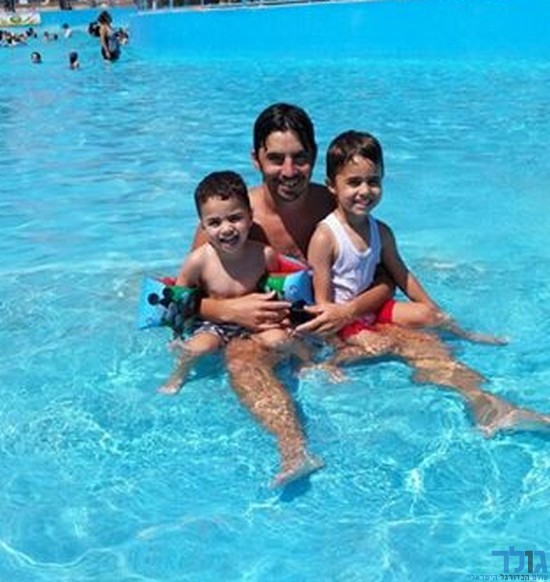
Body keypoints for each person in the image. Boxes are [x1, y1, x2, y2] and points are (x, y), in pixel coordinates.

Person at [184, 103, 550, 487]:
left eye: (300, 158)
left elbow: (384, 277)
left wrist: (349, 312)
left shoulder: (332, 204)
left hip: (339, 323)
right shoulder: (234, 217)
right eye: (276, 159)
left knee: (418, 341)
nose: (289, 171)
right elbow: (179, 301)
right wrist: (229, 310)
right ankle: (295, 450)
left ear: (314, 158)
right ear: (255, 159)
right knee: (242, 360)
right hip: (268, 332)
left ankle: (489, 406)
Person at [168, 170, 323, 486]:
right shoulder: (198, 260)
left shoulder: (263, 254)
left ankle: (307, 361)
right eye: (214, 222)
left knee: (280, 339)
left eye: (235, 218)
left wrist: (284, 320)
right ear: (203, 226)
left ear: (250, 217)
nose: (226, 229)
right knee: (198, 347)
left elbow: (282, 292)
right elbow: (181, 300)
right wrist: (178, 334)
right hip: (216, 325)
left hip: (257, 325)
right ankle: (178, 376)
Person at [307, 130, 506, 349]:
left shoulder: (381, 232)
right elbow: (322, 305)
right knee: (382, 346)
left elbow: (403, 276)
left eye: (373, 181)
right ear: (331, 186)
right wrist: (340, 340)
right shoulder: (326, 236)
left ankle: (466, 335)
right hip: (342, 320)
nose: (365, 191)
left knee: (429, 316)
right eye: (354, 182)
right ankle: (343, 355)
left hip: (371, 310)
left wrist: (435, 312)